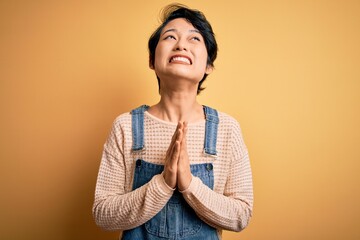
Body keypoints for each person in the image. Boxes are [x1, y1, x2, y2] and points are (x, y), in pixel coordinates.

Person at [92, 3, 253, 240]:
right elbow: (102, 214)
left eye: (194, 39)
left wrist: (189, 184)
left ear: (209, 64)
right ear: (151, 59)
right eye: (170, 37)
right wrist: (163, 183)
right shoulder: (125, 126)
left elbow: (242, 215)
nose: (181, 45)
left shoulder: (227, 129)